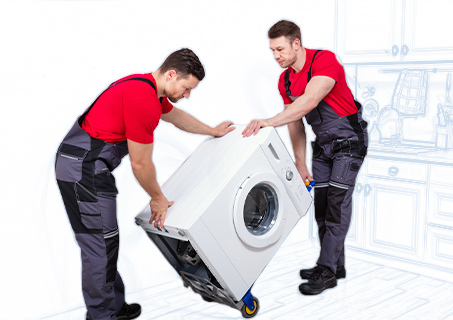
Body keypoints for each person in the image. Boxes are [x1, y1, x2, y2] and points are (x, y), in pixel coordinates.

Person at [55, 48, 234, 320]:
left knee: (106, 241)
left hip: (87, 165)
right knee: (99, 245)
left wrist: (212, 130)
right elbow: (141, 164)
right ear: (172, 74)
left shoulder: (147, 87)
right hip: (83, 169)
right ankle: (101, 316)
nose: (187, 95)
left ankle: (112, 306)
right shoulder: (144, 101)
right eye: (187, 88)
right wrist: (157, 198)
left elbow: (176, 118)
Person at [242, 20, 368, 295]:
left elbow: (310, 101)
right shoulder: (285, 79)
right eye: (272, 50)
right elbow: (295, 122)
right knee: (322, 206)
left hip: (348, 143)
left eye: (280, 49)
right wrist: (299, 162)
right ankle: (336, 264)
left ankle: (326, 271)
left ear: (296, 44)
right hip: (323, 147)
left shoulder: (324, 60)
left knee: (336, 206)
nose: (276, 56)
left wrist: (268, 121)